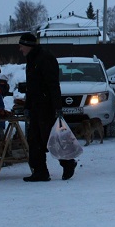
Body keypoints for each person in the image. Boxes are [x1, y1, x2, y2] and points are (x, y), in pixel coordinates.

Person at [19, 33, 74, 182]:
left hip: (47, 107)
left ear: (29, 45)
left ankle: (68, 162)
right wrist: (27, 106)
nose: (20, 49)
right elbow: (31, 86)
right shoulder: (31, 60)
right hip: (36, 107)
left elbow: (53, 84)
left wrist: (57, 108)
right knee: (34, 140)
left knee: (51, 138)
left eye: (22, 46)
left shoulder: (45, 58)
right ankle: (40, 171)